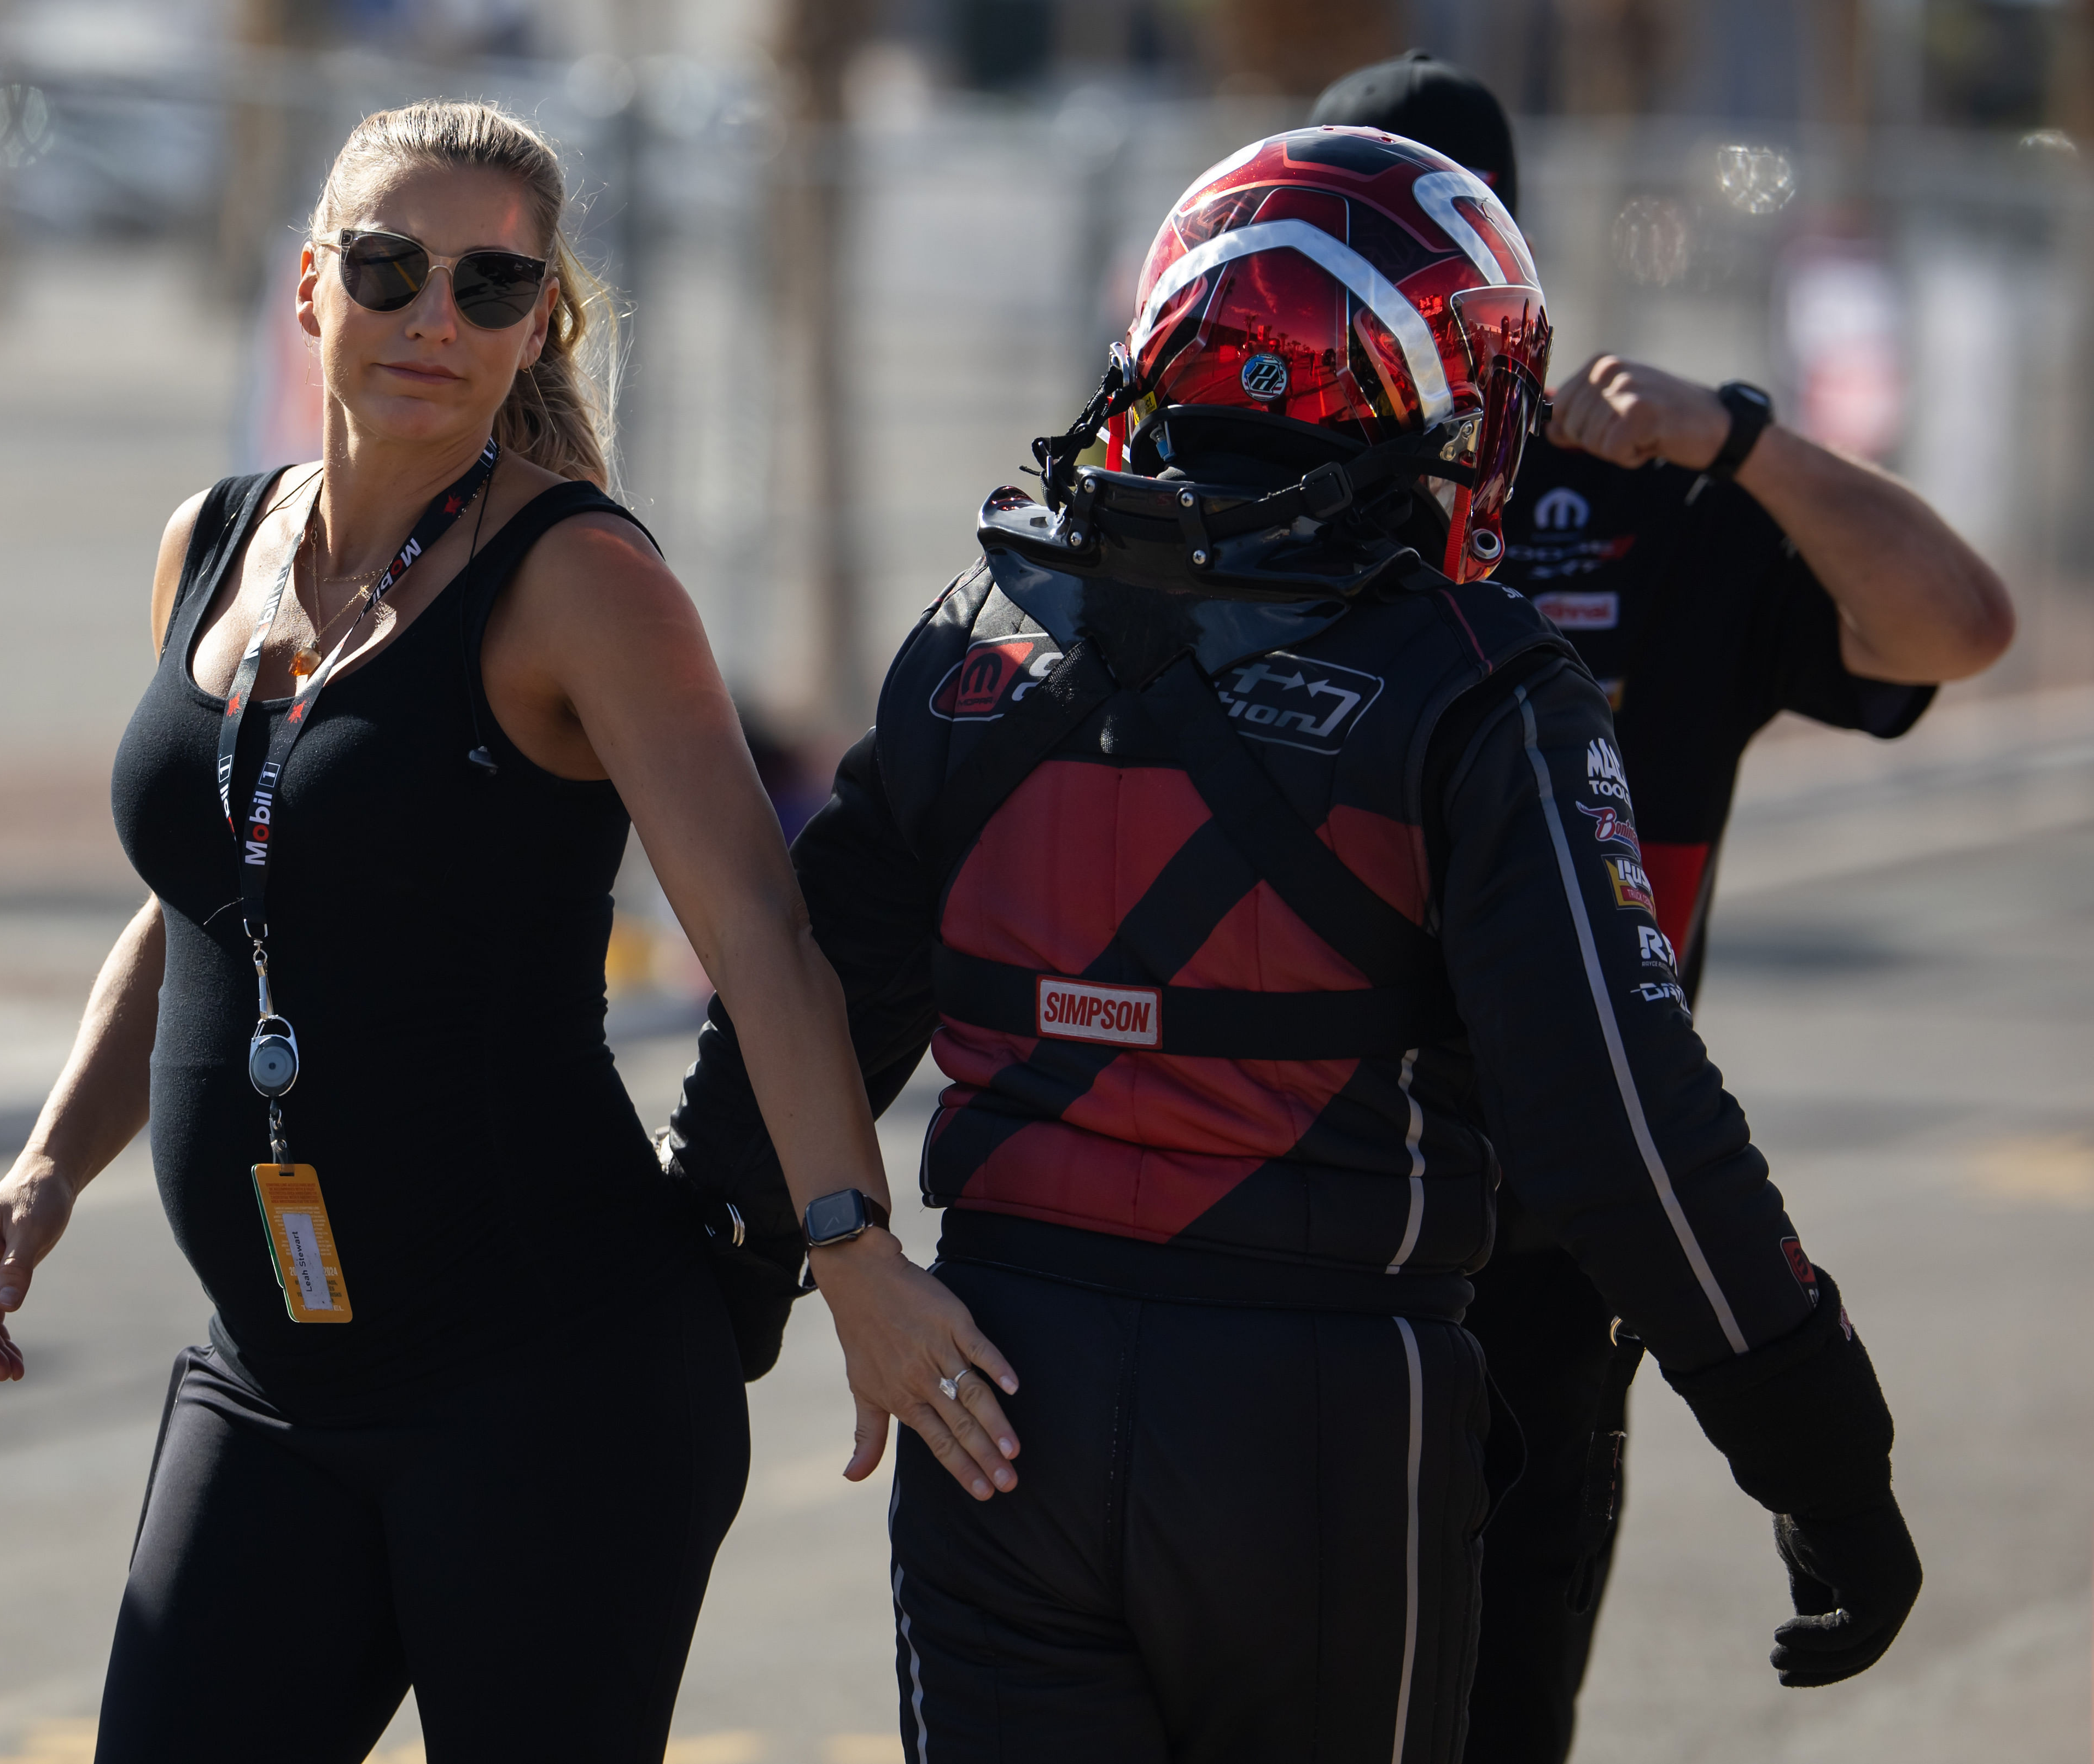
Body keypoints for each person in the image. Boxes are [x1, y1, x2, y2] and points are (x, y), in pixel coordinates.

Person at [662, 125, 1923, 1762]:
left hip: (995, 1393)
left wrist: (714, 1307)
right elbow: (1624, 1126)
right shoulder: (1480, 681)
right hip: (1322, 1416)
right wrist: (1823, 1455)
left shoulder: (978, 628)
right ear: (1436, 392)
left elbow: (804, 1003)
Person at [0, 100, 1002, 1764]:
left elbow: (762, 933)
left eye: (492, 286)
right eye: (391, 268)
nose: (436, 317)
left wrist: (855, 1250)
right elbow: (205, 902)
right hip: (272, 1378)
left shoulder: (579, 580)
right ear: (310, 291)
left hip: (550, 1389)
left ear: (540, 324)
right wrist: (50, 1164)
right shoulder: (210, 545)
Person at [1310, 52, 2013, 1764]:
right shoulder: (1242, 493)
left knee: (1496, 1716)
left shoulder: (1641, 497)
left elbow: (1956, 630)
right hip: (1282, 1228)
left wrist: (1744, 443)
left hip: (1549, 1241)